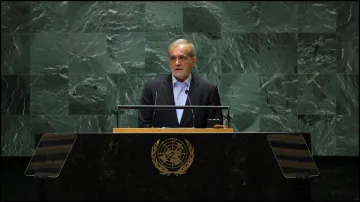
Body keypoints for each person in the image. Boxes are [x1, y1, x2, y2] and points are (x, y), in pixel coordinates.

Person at [138, 39, 223, 128]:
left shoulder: (208, 91)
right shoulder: (152, 89)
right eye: (173, 58)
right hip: (161, 142)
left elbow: (215, 129)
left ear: (193, 61)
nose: (177, 63)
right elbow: (143, 126)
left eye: (182, 58)